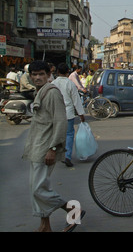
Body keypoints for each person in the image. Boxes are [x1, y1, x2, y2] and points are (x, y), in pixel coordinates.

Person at [22, 60, 85, 232]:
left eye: (41, 74)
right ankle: (45, 225)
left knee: (38, 189)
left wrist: (53, 148)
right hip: (37, 146)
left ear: (49, 75)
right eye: (34, 75)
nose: (37, 78)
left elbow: (60, 122)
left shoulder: (51, 93)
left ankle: (73, 209)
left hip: (45, 147)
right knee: (40, 187)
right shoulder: (40, 91)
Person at [52, 63, 86, 167]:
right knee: (69, 135)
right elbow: (76, 101)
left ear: (57, 72)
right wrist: (81, 115)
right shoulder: (70, 84)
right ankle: (67, 156)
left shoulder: (53, 84)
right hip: (68, 114)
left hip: (55, 114)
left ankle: (55, 154)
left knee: (56, 135)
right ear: (68, 72)